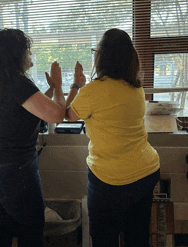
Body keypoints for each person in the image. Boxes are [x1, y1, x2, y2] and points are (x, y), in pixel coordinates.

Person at [65, 28, 160, 247]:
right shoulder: (135, 89)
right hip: (146, 173)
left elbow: (68, 115)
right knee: (137, 239)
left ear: (101, 56)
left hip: (110, 180)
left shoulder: (93, 90)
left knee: (104, 240)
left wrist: (76, 84)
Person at [0, 28, 66, 247]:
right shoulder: (18, 83)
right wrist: (60, 86)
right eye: (28, 50)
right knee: (32, 225)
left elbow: (29, 108)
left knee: (7, 217)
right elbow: (57, 115)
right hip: (12, 170)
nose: (30, 55)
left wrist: (51, 89)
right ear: (16, 54)